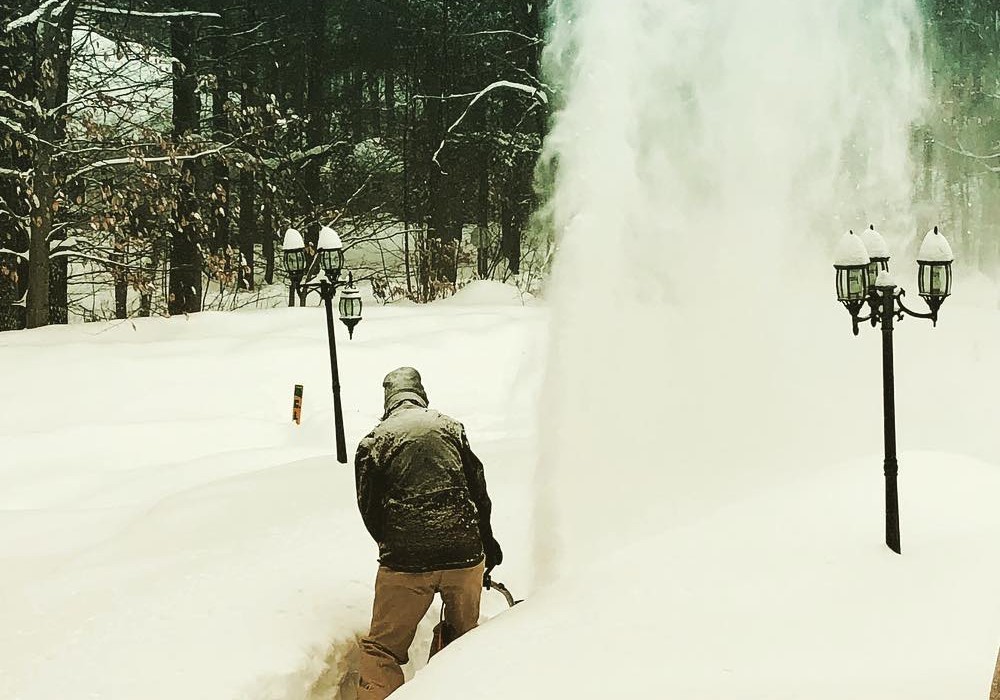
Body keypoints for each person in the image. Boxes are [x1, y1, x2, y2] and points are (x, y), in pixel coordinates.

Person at [354, 366, 502, 700]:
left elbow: (370, 508)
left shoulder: (375, 441)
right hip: (463, 555)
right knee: (462, 642)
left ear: (388, 400)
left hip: (405, 561)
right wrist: (486, 544)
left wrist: (396, 544)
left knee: (382, 650)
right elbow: (478, 491)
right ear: (421, 395)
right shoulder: (450, 427)